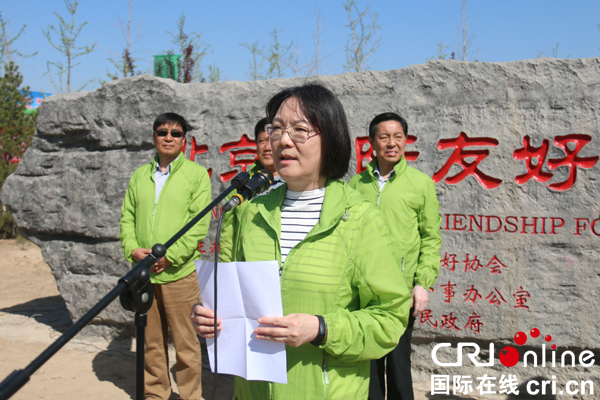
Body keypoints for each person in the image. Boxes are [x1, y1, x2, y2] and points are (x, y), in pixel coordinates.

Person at [191, 84, 411, 400]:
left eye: (299, 130)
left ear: (331, 139)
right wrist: (208, 316)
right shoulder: (251, 213)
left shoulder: (360, 219)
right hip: (252, 391)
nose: (282, 140)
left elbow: (390, 318)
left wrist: (321, 329)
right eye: (276, 129)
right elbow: (232, 298)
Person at [349, 112, 442, 400]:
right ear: (372, 143)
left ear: (405, 141)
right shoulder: (356, 185)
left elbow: (430, 237)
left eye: (398, 136)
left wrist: (422, 283)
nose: (392, 143)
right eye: (384, 136)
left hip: (401, 291)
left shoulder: (420, 183)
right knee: (369, 365)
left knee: (399, 365)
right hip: (365, 290)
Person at [119, 112, 211, 400]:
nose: (168, 138)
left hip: (179, 275)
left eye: (175, 133)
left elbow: (199, 225)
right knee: (150, 342)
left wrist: (171, 257)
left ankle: (190, 396)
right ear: (154, 137)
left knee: (186, 344)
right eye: (162, 132)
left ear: (185, 139)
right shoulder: (139, 176)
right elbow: (127, 218)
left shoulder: (196, 175)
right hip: (143, 274)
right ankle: (156, 394)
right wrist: (132, 249)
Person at [220, 117, 285, 263]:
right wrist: (226, 269)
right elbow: (228, 234)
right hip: (243, 267)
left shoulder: (294, 185)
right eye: (262, 141)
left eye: (272, 140)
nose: (267, 147)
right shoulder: (242, 184)